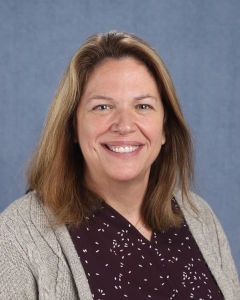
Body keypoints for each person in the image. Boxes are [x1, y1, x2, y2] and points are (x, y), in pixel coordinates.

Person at [0, 30, 239, 300]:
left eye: (143, 106)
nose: (124, 125)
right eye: (102, 107)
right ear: (72, 128)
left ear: (165, 129)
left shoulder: (199, 217)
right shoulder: (17, 234)